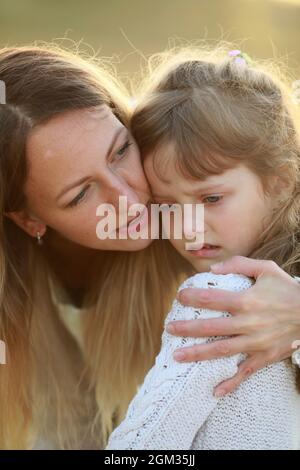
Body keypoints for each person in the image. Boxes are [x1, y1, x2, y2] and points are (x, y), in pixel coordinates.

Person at [0, 45, 300, 449]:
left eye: (121, 151)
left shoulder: (189, 153)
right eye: (80, 194)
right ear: (29, 220)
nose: (131, 199)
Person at [106, 47, 300, 449]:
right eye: (166, 205)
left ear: (280, 182)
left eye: (210, 199)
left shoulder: (218, 300)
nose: (187, 227)